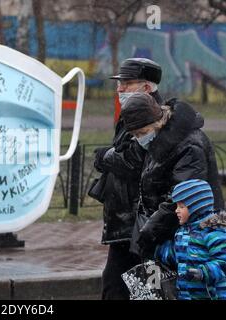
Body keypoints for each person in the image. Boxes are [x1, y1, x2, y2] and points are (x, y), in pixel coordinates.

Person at [119, 93, 224, 259]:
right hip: (170, 229)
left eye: (142, 132)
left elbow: (182, 196)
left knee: (185, 280)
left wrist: (151, 230)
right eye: (135, 134)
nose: (140, 138)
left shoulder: (187, 146)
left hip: (189, 232)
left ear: (158, 122)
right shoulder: (160, 140)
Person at [93, 58, 165, 300]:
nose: (120, 88)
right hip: (127, 221)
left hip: (138, 222)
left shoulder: (151, 114)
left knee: (130, 288)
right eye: (119, 83)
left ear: (147, 88)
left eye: (127, 83)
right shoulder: (130, 113)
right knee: (121, 287)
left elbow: (135, 160)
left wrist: (104, 157)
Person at [155, 179, 226, 300]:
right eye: (177, 205)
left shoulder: (213, 232)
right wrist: (159, 251)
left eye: (182, 206)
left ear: (196, 208)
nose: (177, 210)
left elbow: (223, 262)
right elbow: (175, 254)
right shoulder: (181, 232)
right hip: (185, 294)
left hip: (210, 295)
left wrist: (204, 272)